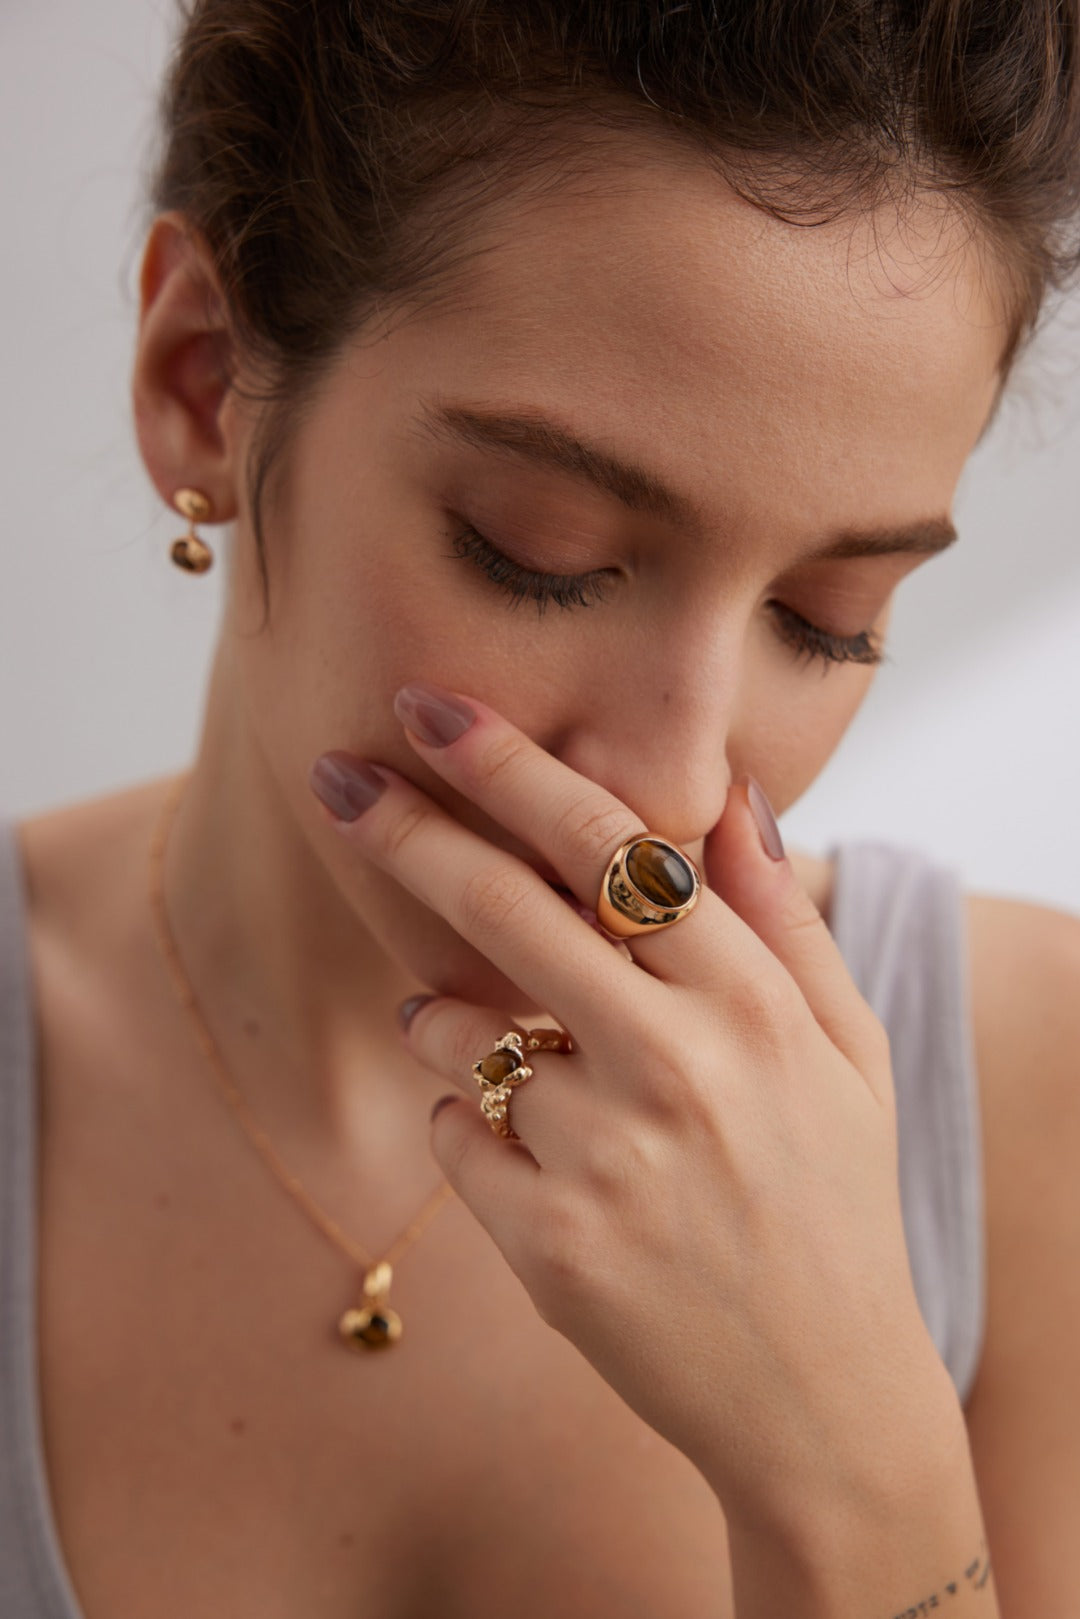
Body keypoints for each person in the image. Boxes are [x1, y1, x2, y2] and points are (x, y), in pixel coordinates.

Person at [2, 0, 1079, 1613]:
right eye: (544, 552)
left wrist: (863, 1485)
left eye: (828, 617)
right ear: (201, 379)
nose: (676, 785)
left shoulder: (1034, 1098)